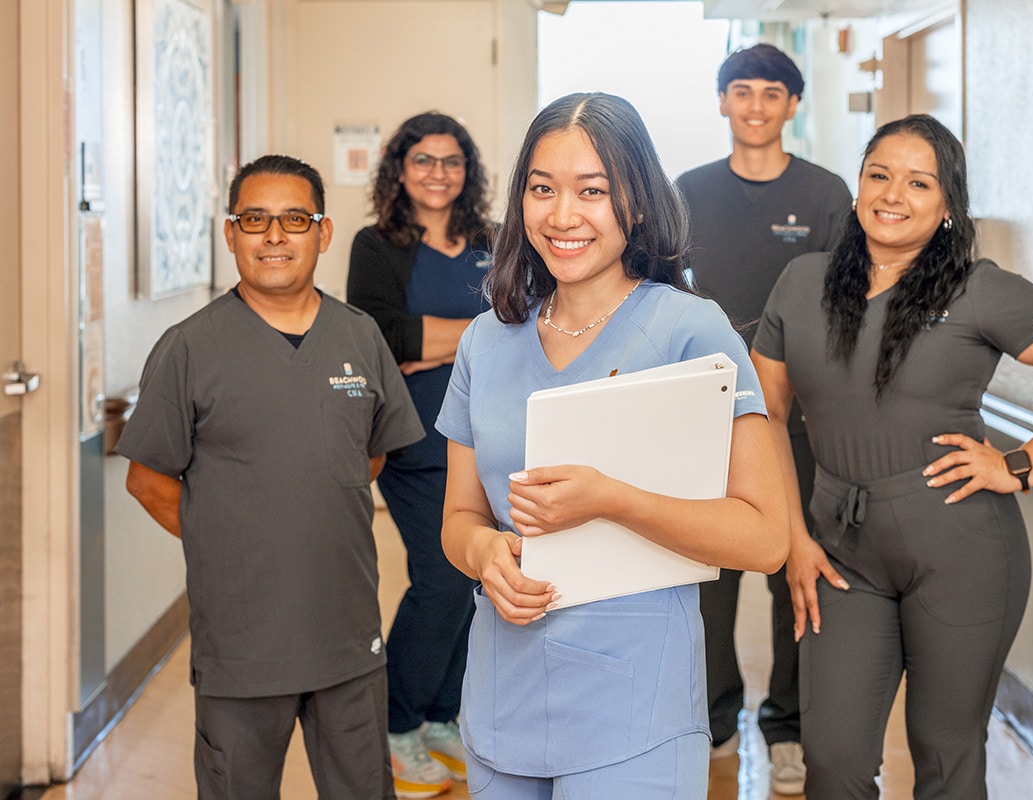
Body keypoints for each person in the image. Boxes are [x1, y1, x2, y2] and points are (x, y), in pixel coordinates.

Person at [751, 114, 1033, 799]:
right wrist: (791, 539)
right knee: (833, 759)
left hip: (962, 550)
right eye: (879, 174)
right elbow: (763, 416)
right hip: (838, 554)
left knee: (945, 754)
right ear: (857, 188)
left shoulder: (980, 288)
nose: (893, 193)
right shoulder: (801, 283)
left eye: (918, 182)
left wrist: (1020, 465)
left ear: (947, 207)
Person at [436, 92, 789, 799]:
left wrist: (613, 499)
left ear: (635, 203)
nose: (563, 216)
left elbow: (764, 538)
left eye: (591, 191)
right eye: (542, 189)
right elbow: (460, 519)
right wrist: (484, 555)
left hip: (635, 713)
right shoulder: (486, 341)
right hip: (505, 699)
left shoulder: (692, 331)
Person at [117, 154, 425, 800]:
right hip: (242, 640)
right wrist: (228, 539)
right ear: (230, 234)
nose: (276, 235)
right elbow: (147, 480)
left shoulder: (360, 336)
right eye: (256, 219)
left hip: (346, 631)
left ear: (323, 233)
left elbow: (366, 457)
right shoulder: (189, 347)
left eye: (294, 219)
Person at [675, 42, 851, 792]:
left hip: (797, 417)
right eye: (741, 92)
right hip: (702, 416)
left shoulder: (824, 194)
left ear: (792, 106)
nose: (754, 106)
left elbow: (848, 304)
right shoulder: (686, 190)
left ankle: (788, 726)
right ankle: (714, 722)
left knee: (794, 571)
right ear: (721, 101)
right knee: (707, 573)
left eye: (771, 94)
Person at [346, 112, 494, 798]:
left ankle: (440, 714)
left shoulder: (493, 241)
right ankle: (396, 724)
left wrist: (430, 340)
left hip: (490, 439)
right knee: (439, 578)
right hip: (416, 441)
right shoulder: (377, 245)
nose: (439, 173)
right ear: (399, 169)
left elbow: (531, 317)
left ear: (468, 171)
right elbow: (378, 337)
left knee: (474, 583)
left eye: (452, 160)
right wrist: (481, 333)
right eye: (423, 160)